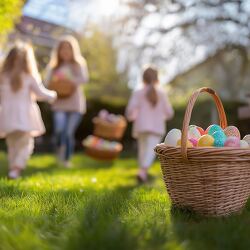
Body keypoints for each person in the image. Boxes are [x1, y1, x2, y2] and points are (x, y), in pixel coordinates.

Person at [0, 43, 57, 179]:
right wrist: (53, 95)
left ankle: (13, 168)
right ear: (28, 60)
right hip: (24, 115)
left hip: (7, 115)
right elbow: (41, 93)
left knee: (12, 143)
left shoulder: (3, 76)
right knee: (26, 144)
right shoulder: (29, 76)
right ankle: (16, 168)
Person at [45, 35, 89, 167]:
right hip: (59, 103)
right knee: (59, 129)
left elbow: (84, 79)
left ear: (73, 50)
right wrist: (57, 82)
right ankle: (59, 150)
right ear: (58, 51)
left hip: (75, 104)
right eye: (62, 49)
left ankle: (66, 159)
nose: (65, 51)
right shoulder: (54, 67)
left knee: (69, 132)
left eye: (68, 49)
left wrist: (70, 80)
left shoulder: (78, 64)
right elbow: (47, 83)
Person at [126, 66, 174, 182]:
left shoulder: (138, 92)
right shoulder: (161, 93)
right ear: (157, 78)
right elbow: (169, 113)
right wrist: (162, 116)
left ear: (143, 78)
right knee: (150, 150)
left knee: (143, 149)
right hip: (156, 127)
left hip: (141, 126)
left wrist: (132, 117)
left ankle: (142, 171)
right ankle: (143, 171)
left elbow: (129, 111)